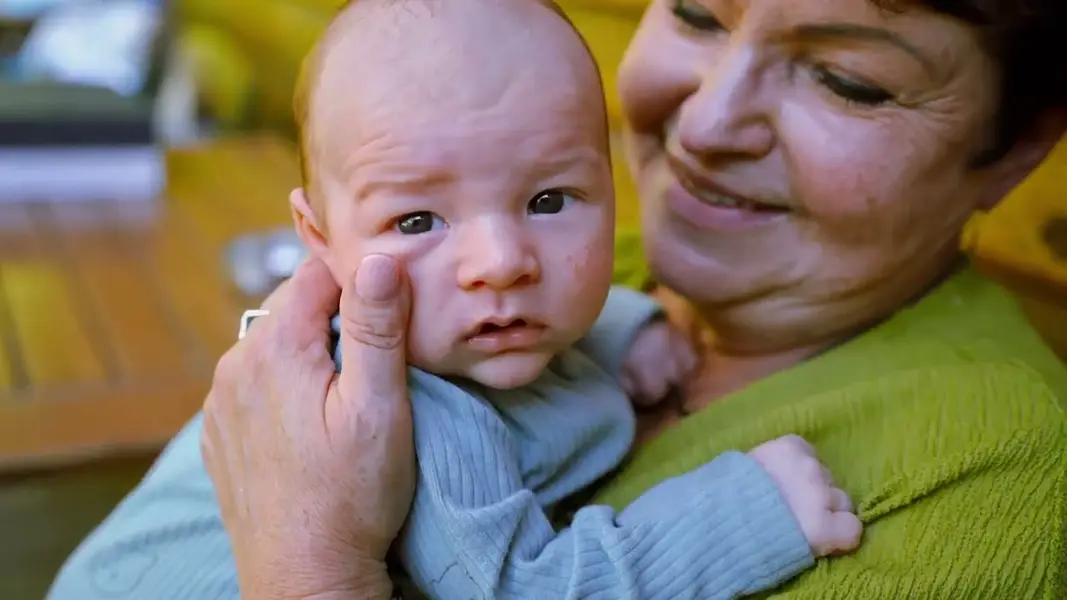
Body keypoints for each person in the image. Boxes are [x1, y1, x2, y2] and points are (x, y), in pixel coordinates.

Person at [48, 0, 1067, 596]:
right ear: (318, 240)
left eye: (848, 80)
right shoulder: (471, 373)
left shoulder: (996, 469)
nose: (706, 126)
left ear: (1014, 148)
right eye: (697, 11)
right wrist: (738, 509)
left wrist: (308, 563)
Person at [285, 1, 863, 598]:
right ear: (320, 240)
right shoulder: (422, 421)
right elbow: (524, 588)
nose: (502, 263)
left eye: (549, 201)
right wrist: (742, 519)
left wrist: (625, 330)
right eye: (415, 222)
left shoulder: (466, 329)